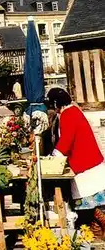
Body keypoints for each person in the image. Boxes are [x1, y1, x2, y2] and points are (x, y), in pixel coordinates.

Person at [47, 88, 105, 237]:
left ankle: (96, 232)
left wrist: (54, 157)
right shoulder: (72, 111)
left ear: (56, 104)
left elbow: (66, 140)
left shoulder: (69, 114)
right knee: (93, 210)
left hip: (85, 164)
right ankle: (96, 235)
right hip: (88, 161)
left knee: (91, 205)